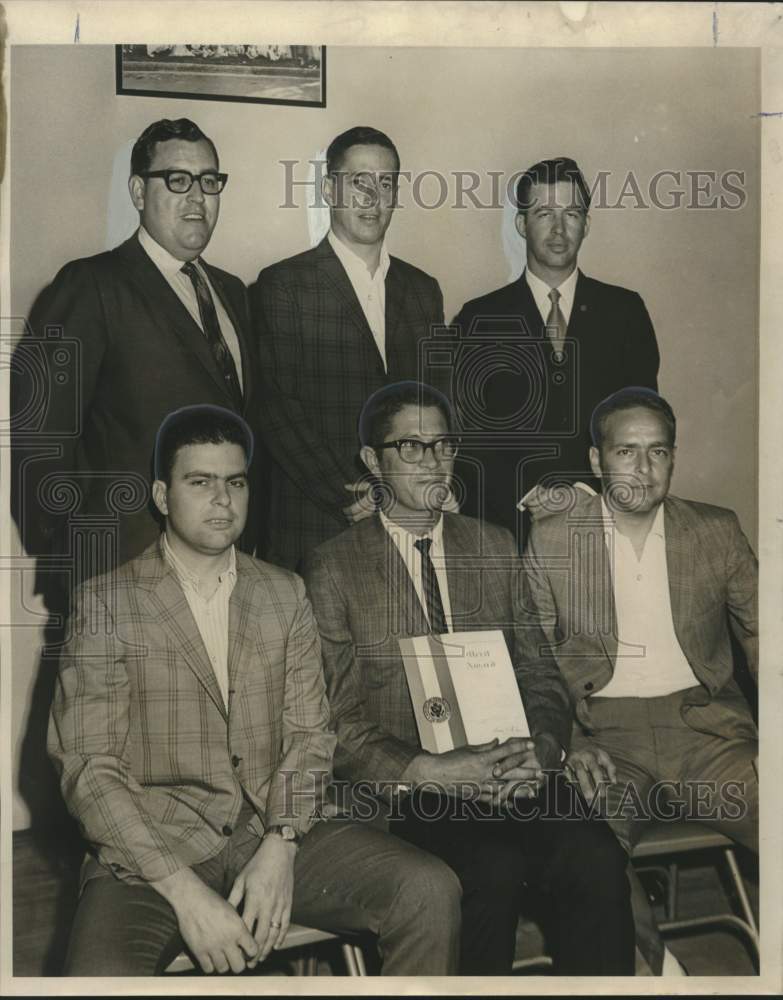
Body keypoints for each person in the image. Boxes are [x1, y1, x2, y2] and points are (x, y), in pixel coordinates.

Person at [47, 404, 461, 976]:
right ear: (162, 496)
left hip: (268, 827)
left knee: (428, 889)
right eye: (201, 482)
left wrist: (282, 843)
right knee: (97, 977)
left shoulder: (284, 594)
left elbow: (311, 736)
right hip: (150, 852)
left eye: (235, 482)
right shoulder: (106, 605)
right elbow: (89, 770)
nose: (223, 499)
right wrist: (185, 895)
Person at [303, 381, 635, 976]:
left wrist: (544, 749)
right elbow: (336, 723)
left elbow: (539, 672)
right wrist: (430, 771)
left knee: (595, 855)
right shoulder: (332, 567)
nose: (433, 461)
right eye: (411, 446)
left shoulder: (494, 545)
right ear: (372, 461)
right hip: (411, 787)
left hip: (511, 769)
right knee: (492, 868)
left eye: (444, 445)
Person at [520, 386, 758, 974]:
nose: (644, 468)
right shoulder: (553, 538)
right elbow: (534, 660)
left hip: (710, 736)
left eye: (658, 452)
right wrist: (566, 746)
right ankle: (654, 972)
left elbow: (765, 639)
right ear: (597, 461)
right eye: (627, 451)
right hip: (604, 743)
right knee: (587, 858)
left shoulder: (716, 530)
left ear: (674, 457)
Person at [13, 118, 259, 573]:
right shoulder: (91, 284)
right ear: (139, 192)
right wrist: (79, 558)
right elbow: (40, 441)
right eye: (178, 180)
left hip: (224, 567)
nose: (196, 197)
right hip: (121, 567)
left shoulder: (233, 292)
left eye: (209, 181)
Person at [250, 126, 445, 571]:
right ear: (328, 190)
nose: (372, 197)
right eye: (359, 182)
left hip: (410, 519)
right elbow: (279, 409)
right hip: (319, 520)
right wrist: (353, 491)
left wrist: (417, 489)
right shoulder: (284, 285)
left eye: (386, 183)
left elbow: (438, 401)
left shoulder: (422, 290)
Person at [451, 157, 659, 546]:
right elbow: (468, 437)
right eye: (544, 213)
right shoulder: (477, 318)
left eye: (572, 213)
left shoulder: (625, 311)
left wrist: (583, 492)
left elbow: (641, 422)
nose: (559, 229)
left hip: (605, 519)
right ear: (521, 224)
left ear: (587, 224)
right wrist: (529, 496)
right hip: (506, 527)